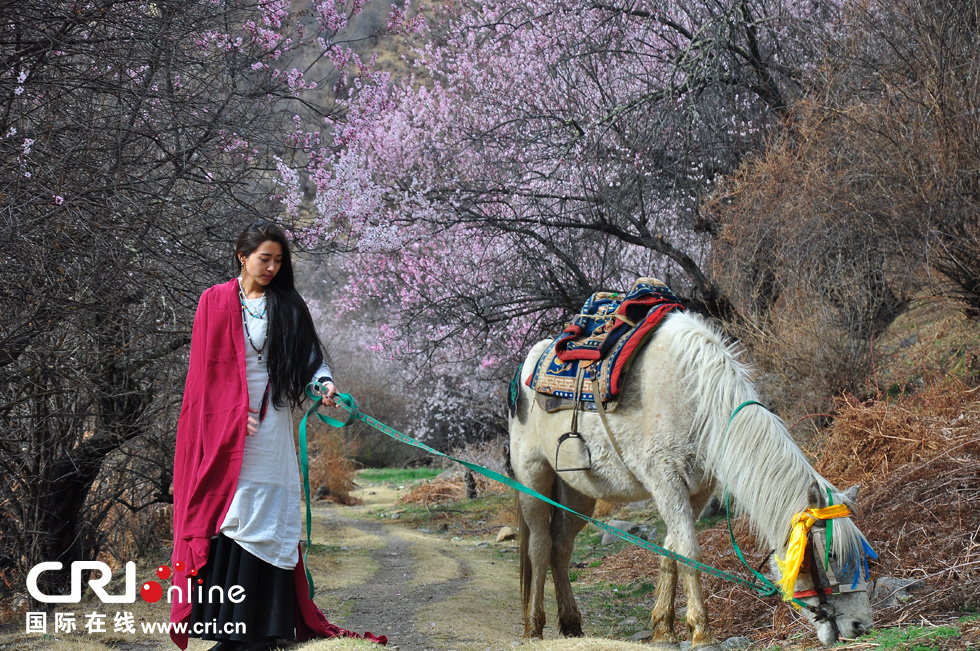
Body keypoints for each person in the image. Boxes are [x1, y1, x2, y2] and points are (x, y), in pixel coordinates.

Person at [170, 220, 385, 650]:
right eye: (264, 258)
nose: (271, 267)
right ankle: (226, 629)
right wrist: (227, 418)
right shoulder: (212, 301)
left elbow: (309, 359)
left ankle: (266, 629)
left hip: (271, 424)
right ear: (241, 255)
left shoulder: (287, 304)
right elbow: (201, 378)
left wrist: (324, 387)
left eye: (278, 260)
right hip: (223, 431)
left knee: (264, 514)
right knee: (227, 517)